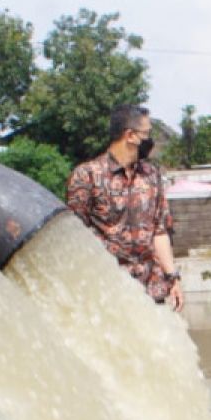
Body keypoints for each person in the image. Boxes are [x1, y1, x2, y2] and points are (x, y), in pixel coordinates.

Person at [66, 104, 184, 311]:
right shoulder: (88, 176)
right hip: (109, 291)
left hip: (151, 288)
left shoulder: (151, 175)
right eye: (146, 134)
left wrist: (172, 277)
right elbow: (75, 237)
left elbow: (159, 230)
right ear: (130, 135)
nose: (150, 141)